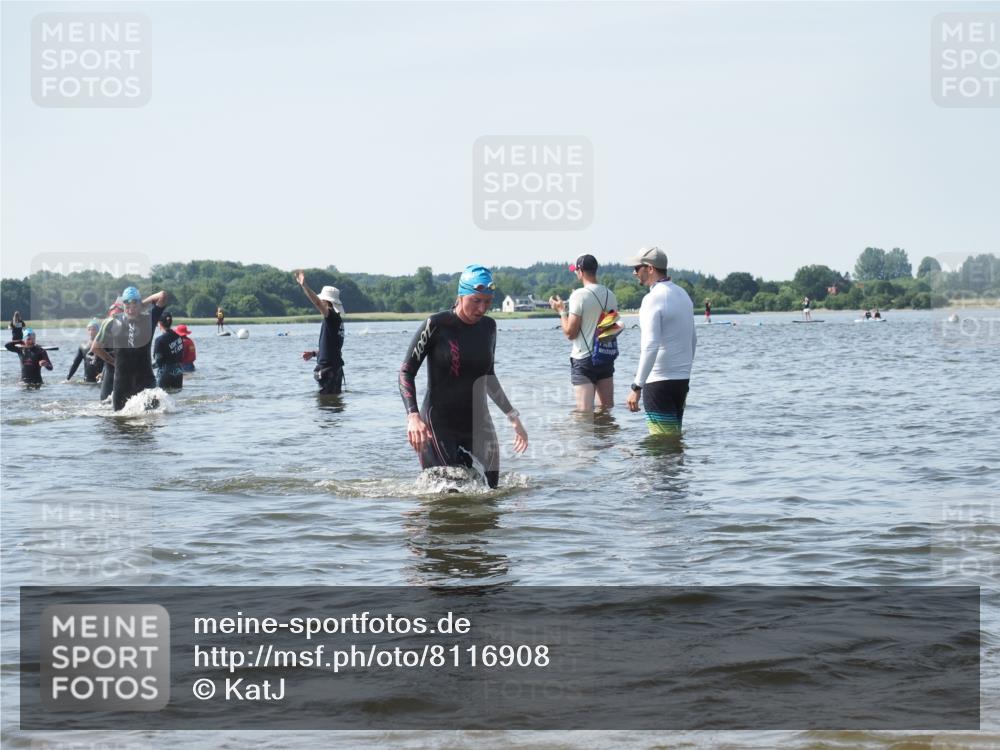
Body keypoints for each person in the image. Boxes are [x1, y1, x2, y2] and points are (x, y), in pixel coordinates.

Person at [399, 264, 528, 489]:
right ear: (460, 296)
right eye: (476, 300)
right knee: (452, 489)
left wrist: (512, 415)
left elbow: (488, 376)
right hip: (439, 423)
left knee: (491, 492)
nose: (482, 308)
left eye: (487, 301)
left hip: (478, 422)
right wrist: (412, 416)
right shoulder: (437, 325)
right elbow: (406, 372)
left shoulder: (489, 327)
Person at [624, 247, 697, 436]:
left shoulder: (652, 299)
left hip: (658, 382)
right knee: (674, 441)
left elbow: (650, 346)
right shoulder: (683, 295)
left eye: (637, 267)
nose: (634, 272)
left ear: (649, 268)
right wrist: (685, 371)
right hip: (681, 380)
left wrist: (636, 386)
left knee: (661, 445)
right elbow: (693, 339)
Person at [547, 253, 618, 412]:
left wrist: (561, 312)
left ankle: (584, 439)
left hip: (584, 359)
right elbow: (611, 328)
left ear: (580, 271)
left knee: (584, 415)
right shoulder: (610, 295)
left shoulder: (578, 295)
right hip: (605, 356)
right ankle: (608, 437)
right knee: (606, 411)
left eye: (575, 270)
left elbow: (570, 333)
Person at [91, 286, 168, 411]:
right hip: (122, 383)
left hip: (146, 381)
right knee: (120, 421)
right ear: (123, 305)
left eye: (134, 305)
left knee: (153, 421)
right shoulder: (111, 322)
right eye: (127, 306)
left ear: (140, 304)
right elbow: (96, 347)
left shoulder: (150, 318)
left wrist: (143, 303)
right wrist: (113, 362)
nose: (131, 310)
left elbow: (163, 295)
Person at [296, 270, 346, 394]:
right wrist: (314, 353)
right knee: (333, 406)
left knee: (325, 407)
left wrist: (304, 286)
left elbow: (317, 302)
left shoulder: (331, 317)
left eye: (322, 301)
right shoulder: (336, 320)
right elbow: (333, 349)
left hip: (329, 370)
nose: (320, 304)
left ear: (326, 302)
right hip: (335, 368)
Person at [96, 299, 124, 402]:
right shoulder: (105, 330)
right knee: (105, 403)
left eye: (119, 316)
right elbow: (96, 351)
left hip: (125, 373)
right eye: (114, 316)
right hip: (110, 370)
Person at [153, 313, 184, 389]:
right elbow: (181, 354)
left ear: (159, 323)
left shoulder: (159, 340)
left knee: (160, 396)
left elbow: (158, 361)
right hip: (179, 371)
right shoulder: (179, 337)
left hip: (166, 372)